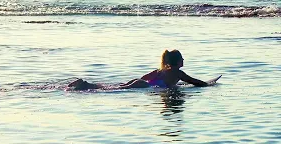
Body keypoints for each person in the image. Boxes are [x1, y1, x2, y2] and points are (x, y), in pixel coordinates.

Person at [67, 49, 208, 90]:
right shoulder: (178, 72)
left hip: (140, 82)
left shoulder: (160, 70)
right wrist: (208, 85)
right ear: (177, 61)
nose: (183, 60)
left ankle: (84, 84)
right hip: (143, 85)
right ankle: (83, 85)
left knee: (112, 87)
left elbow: (145, 77)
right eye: (182, 58)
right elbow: (194, 81)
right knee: (112, 89)